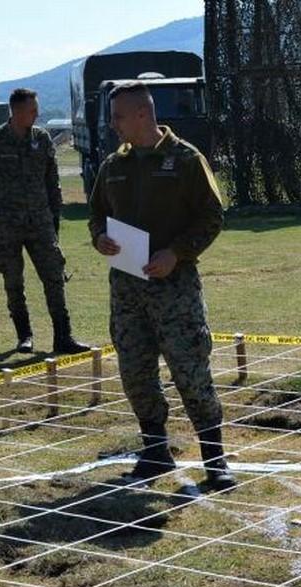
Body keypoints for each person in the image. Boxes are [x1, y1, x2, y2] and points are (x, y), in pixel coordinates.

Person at [88, 82, 235, 492]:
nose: (112, 125)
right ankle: (155, 452)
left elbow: (212, 217)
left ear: (141, 114)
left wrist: (177, 253)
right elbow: (97, 215)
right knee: (135, 371)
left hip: (174, 288)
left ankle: (215, 458)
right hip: (127, 289)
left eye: (118, 116)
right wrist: (99, 238)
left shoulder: (186, 160)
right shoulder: (112, 166)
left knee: (190, 370)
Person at [0, 88, 88, 354]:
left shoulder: (42, 139)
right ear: (16, 111)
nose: (37, 114)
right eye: (32, 110)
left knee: (54, 277)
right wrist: (0, 206)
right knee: (13, 280)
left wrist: (53, 214)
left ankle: (63, 336)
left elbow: (52, 179)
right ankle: (24, 335)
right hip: (7, 225)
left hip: (41, 222)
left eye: (37, 109)